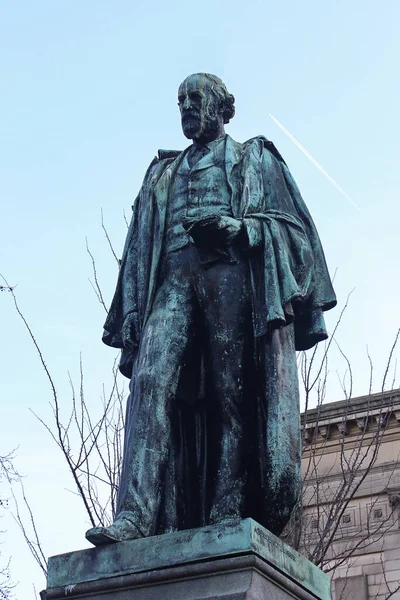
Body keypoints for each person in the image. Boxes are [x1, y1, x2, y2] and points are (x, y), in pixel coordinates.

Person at [86, 73, 336, 546]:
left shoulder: (253, 159)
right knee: (150, 380)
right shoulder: (162, 173)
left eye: (195, 98)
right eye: (180, 99)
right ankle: (135, 516)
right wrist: (134, 306)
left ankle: (228, 506)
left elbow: (294, 232)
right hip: (174, 277)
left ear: (223, 108)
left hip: (228, 271)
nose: (185, 106)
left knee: (232, 394)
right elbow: (139, 248)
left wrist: (239, 230)